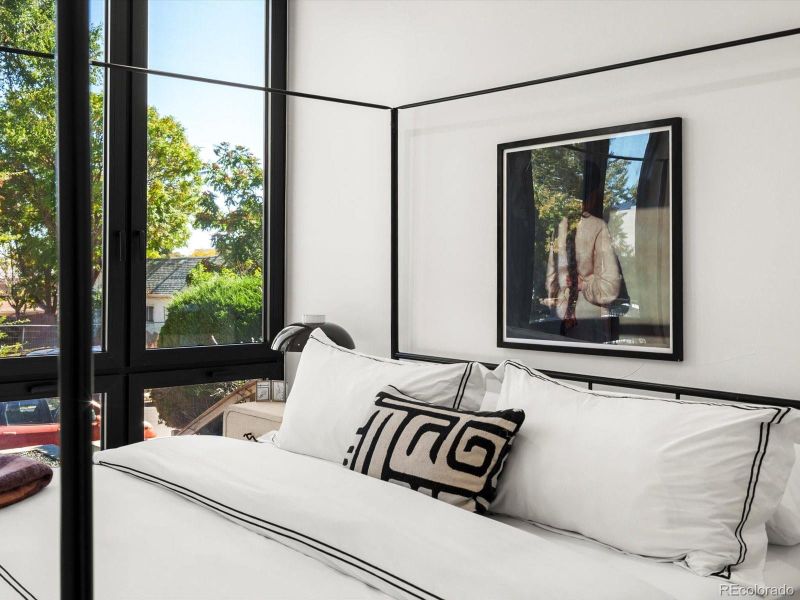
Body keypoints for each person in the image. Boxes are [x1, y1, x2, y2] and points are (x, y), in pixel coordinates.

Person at [544, 206, 622, 342]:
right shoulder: (597, 226)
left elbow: (551, 281)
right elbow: (609, 288)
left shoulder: (558, 226)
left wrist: (553, 301)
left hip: (559, 319)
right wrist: (584, 285)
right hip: (587, 322)